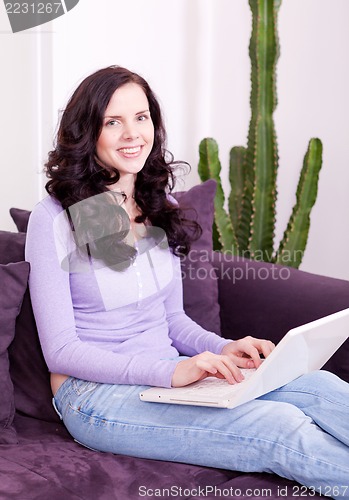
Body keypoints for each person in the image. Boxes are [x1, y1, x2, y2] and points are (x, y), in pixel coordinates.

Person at [25, 65, 349, 498]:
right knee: (281, 427)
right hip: (96, 398)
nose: (132, 133)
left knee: (321, 388)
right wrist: (171, 372)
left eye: (141, 117)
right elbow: (61, 351)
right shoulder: (56, 217)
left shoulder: (158, 203)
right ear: (88, 132)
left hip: (168, 377)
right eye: (112, 121)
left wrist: (222, 349)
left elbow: (172, 320)